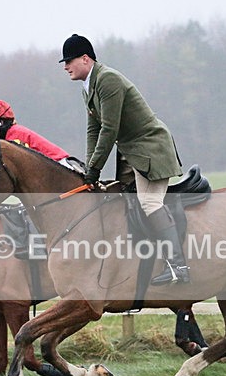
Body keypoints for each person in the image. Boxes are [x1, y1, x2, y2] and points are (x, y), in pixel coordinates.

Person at [59, 34, 190, 285]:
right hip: (132, 152)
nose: (66, 67)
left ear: (85, 59)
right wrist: (89, 166)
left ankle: (178, 266)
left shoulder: (107, 80)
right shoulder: (88, 88)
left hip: (150, 147)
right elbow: (93, 130)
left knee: (149, 203)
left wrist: (95, 168)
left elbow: (110, 129)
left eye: (69, 61)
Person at [0, 100, 76, 169]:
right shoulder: (10, 134)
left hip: (60, 165)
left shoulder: (15, 135)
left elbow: (23, 167)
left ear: (2, 123)